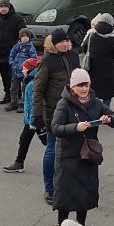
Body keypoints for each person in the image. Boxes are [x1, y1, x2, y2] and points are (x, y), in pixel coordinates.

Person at [51, 69, 114, 226]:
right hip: (68, 156)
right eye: (80, 85)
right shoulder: (63, 104)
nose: (84, 89)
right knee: (65, 195)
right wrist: (76, 127)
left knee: (84, 194)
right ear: (73, 87)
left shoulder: (95, 102)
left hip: (88, 155)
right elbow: (55, 128)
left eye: (86, 85)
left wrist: (108, 119)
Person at [33, 29, 81, 206]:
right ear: (54, 43)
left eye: (67, 41)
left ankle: (68, 184)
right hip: (54, 113)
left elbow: (80, 82)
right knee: (52, 151)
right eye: (61, 41)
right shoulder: (47, 61)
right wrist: (36, 116)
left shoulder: (74, 56)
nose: (65, 44)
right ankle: (50, 188)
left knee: (73, 151)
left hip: (74, 112)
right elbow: (38, 90)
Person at [0, 0, 27, 106]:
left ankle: (17, 97)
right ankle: (7, 94)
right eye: (1, 7)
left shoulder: (17, 18)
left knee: (14, 76)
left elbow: (23, 34)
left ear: (9, 7)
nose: (3, 9)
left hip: (13, 54)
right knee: (4, 75)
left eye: (5, 7)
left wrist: (16, 48)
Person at [81, 13, 114, 106]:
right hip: (108, 71)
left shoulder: (91, 35)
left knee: (93, 93)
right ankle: (105, 113)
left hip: (93, 69)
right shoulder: (111, 39)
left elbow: (84, 48)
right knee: (107, 96)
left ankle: (94, 112)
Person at [5, 28, 37, 113]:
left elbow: (33, 59)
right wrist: (11, 63)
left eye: (27, 36)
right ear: (20, 37)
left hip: (25, 73)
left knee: (25, 89)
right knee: (13, 88)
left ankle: (24, 104)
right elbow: (11, 55)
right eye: (23, 36)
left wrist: (27, 68)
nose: (25, 38)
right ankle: (13, 102)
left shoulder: (30, 48)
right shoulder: (17, 46)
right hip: (15, 72)